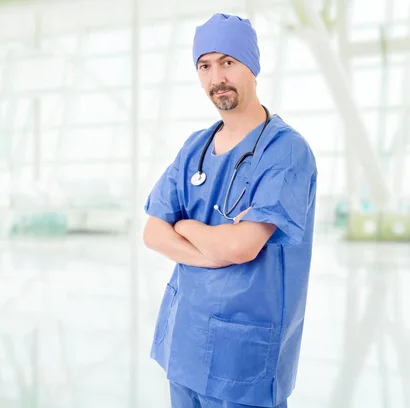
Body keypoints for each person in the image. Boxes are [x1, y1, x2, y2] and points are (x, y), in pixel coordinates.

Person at [143, 12, 318, 408]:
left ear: (252, 67)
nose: (216, 77)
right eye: (204, 66)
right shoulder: (195, 148)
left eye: (228, 62)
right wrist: (211, 250)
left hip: (245, 358)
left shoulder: (285, 151)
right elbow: (153, 232)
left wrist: (185, 226)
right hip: (184, 344)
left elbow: (241, 247)